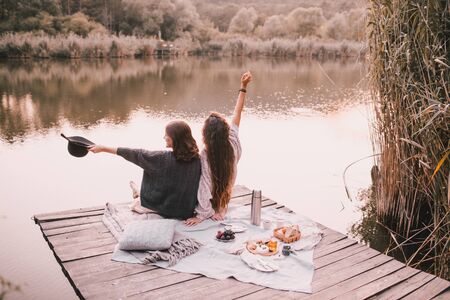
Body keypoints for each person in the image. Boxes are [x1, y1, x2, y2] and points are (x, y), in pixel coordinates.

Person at [88, 120, 201, 220]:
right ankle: (138, 193)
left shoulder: (161, 158)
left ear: (174, 138)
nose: (164, 137)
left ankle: (137, 194)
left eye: (166, 135)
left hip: (164, 210)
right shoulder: (198, 159)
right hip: (185, 212)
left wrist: (102, 148)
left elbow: (133, 153)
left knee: (136, 205)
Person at [185, 71, 252, 226]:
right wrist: (243, 86)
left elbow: (205, 184)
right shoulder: (233, 140)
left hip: (212, 198)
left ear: (206, 135)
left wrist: (202, 214)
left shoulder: (205, 153)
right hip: (224, 194)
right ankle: (222, 206)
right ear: (225, 131)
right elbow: (237, 112)